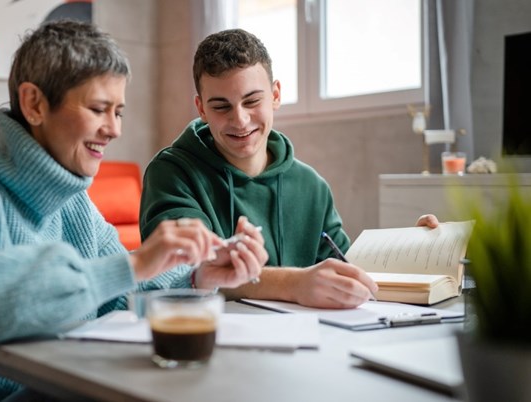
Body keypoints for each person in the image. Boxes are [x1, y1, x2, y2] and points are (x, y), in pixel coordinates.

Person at [0, 21, 265, 402]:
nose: (115, 129)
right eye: (99, 108)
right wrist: (135, 263)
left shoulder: (74, 204)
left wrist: (199, 273)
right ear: (34, 104)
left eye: (119, 112)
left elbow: (118, 290)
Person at [140, 28, 438, 310]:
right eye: (221, 107)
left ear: (276, 95)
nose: (240, 120)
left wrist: (407, 251)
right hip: (213, 340)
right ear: (201, 108)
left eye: (252, 100)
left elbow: (344, 266)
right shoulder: (171, 173)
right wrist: (294, 284)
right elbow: (184, 272)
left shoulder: (311, 185)